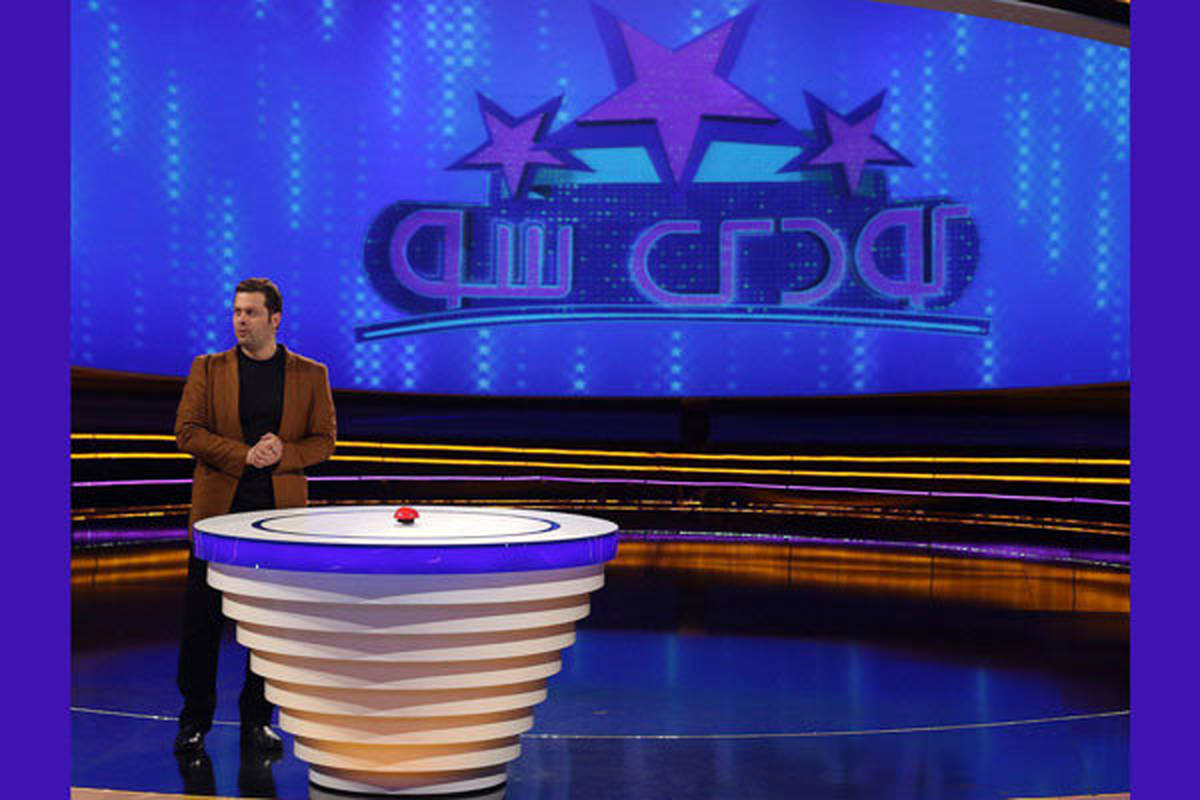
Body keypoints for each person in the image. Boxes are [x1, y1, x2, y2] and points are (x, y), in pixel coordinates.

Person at [172, 277, 336, 757]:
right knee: (202, 622)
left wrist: (283, 453)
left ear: (275, 319)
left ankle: (257, 721)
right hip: (217, 516)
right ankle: (193, 720)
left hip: (278, 521)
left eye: (251, 313)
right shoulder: (208, 368)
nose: (240, 320)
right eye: (237, 312)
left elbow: (324, 441)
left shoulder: (311, 374)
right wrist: (243, 455)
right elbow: (187, 432)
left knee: (269, 623)